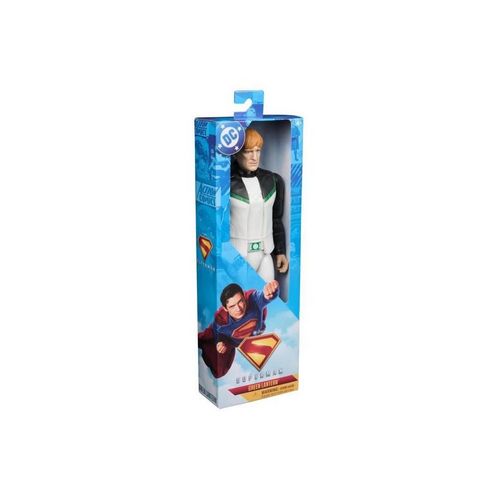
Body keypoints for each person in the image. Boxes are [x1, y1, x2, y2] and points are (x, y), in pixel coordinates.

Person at [230, 128, 288, 281]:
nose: (254, 157)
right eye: (248, 151)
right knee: (240, 295)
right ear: (236, 153)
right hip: (237, 256)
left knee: (268, 295)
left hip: (265, 254)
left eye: (258, 150)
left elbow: (276, 219)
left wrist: (280, 251)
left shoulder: (273, 180)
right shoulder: (225, 185)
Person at [198, 280, 279, 378]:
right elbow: (218, 332)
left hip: (235, 342)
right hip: (220, 336)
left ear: (244, 297)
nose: (238, 309)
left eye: (240, 302)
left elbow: (264, 296)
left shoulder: (253, 300)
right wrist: (220, 341)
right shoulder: (221, 319)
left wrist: (271, 290)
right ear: (225, 308)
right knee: (202, 339)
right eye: (232, 306)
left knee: (219, 372)